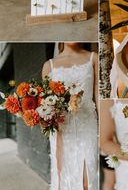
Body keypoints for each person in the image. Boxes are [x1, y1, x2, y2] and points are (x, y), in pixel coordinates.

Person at [42, 42, 98, 190]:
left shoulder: (93, 58)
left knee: (88, 180)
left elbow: (99, 100)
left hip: (88, 126)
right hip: (62, 129)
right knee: (64, 179)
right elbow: (46, 106)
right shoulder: (49, 66)